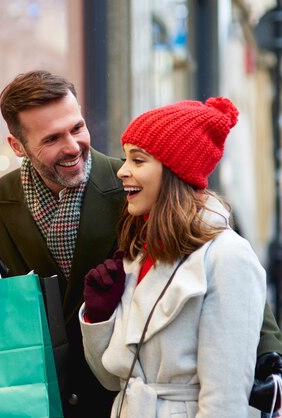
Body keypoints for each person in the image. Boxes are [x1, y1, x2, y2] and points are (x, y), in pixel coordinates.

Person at [0, 70, 282, 417]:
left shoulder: (135, 185)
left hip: (113, 394)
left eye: (77, 128)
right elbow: (11, 309)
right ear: (17, 147)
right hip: (41, 395)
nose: (72, 147)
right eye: (52, 138)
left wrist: (270, 357)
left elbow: (229, 274)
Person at [80, 97, 267, 417]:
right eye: (126, 159)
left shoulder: (228, 257)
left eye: (138, 161)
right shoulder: (139, 253)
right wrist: (99, 318)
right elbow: (113, 379)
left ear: (175, 171)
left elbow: (225, 400)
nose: (122, 171)